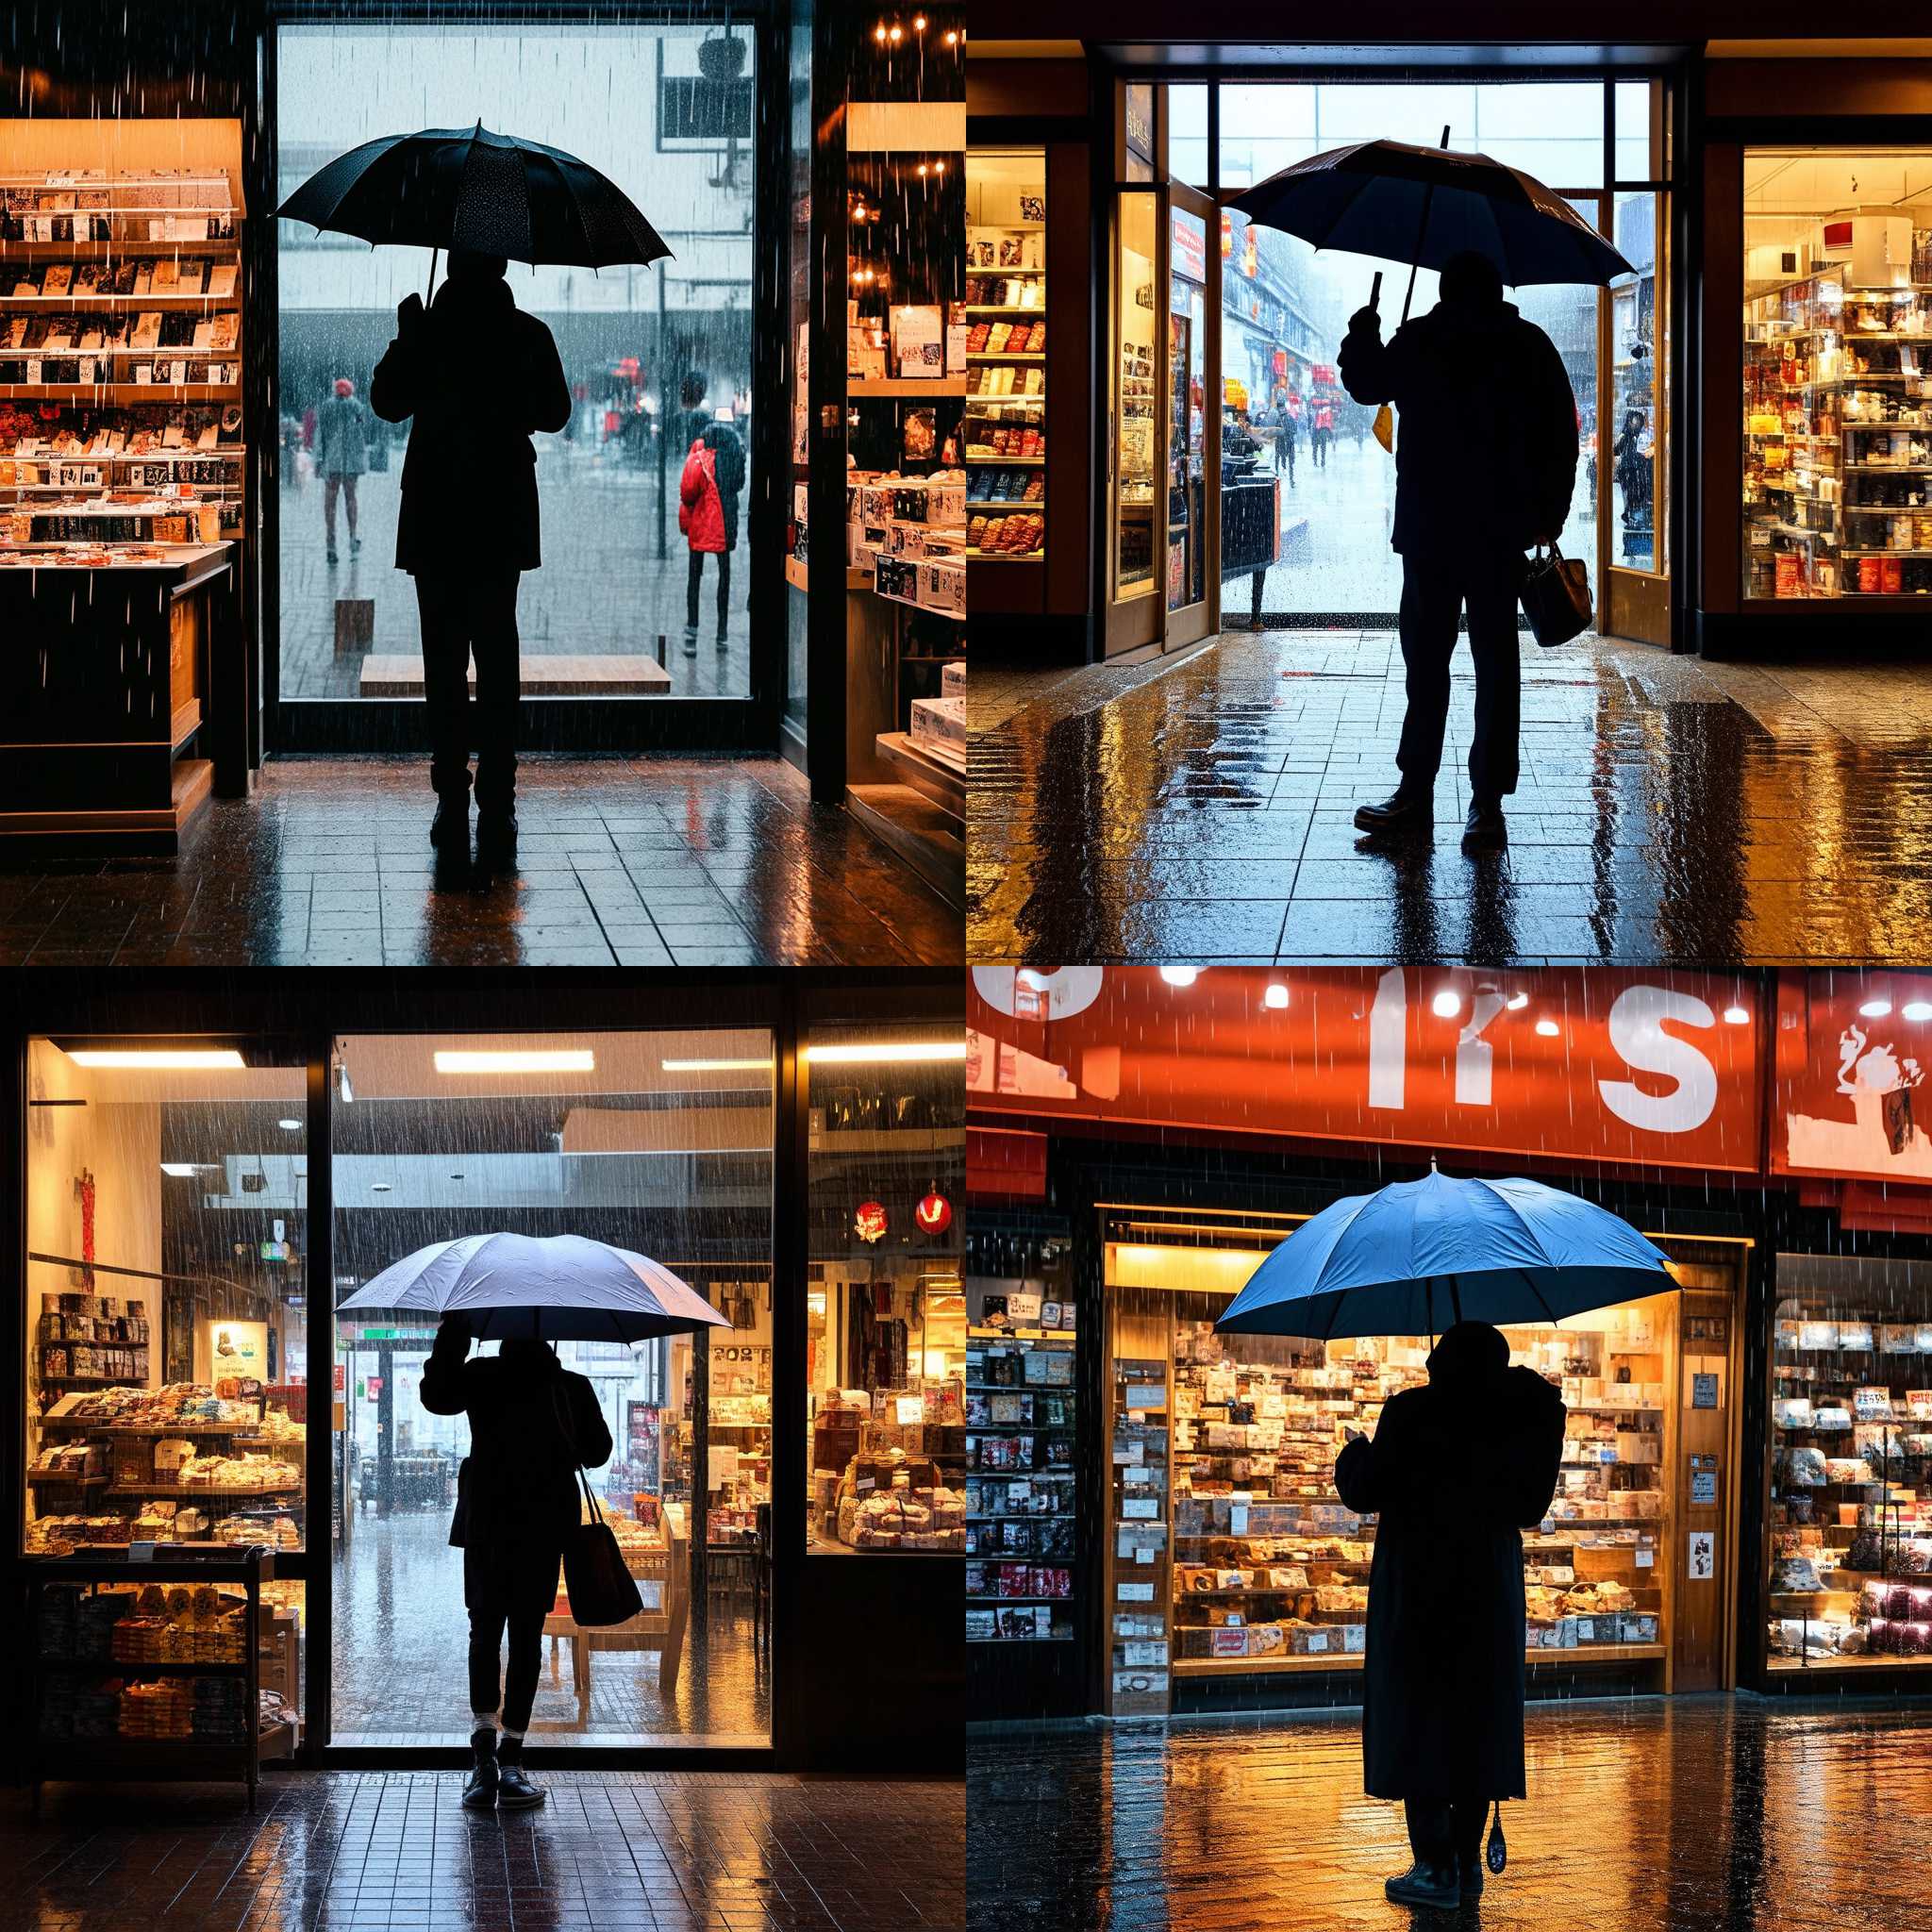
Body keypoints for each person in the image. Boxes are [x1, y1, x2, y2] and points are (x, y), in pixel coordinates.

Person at [1338, 248, 1578, 852]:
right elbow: (1561, 439)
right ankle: (1487, 805)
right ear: (1497, 291)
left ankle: (1414, 793)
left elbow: (1366, 383)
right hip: (1500, 534)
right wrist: (1546, 517)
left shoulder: (1422, 339)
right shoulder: (1531, 346)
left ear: (1445, 291)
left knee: (1427, 666)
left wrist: (1363, 328)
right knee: (1497, 665)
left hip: (1430, 533)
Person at [1333, 1320, 1566, 1911]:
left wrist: (1354, 1452)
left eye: (1438, 1356)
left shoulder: (1412, 1412)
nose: (1430, 1364)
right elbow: (1529, 1505)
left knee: (1421, 1718)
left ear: (1446, 1362)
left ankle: (1433, 1867)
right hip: (1488, 1587)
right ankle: (1465, 1864)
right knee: (1474, 1719)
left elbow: (1367, 1488)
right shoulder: (1520, 1419)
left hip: (1422, 1585)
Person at [370, 249, 571, 863]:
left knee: (444, 664)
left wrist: (408, 340)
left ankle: (452, 799)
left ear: (451, 267)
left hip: (436, 512)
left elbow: (386, 403)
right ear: (503, 267)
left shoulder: (428, 329)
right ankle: (499, 801)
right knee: (498, 661)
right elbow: (556, 413)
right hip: (500, 510)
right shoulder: (528, 332)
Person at [420, 1312, 613, 1813]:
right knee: (527, 1635)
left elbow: (436, 1397)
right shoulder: (568, 1384)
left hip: (487, 1523)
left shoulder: (482, 1375)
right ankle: (512, 1758)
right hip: (543, 1526)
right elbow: (598, 1452)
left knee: (484, 1630)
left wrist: (454, 1333)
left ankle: (483, 1756)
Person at [673, 371, 746, 656]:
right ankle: (722, 633)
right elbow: (739, 483)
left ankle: (692, 629)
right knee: (724, 576)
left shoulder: (699, 449)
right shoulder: (732, 449)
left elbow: (688, 490)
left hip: (702, 522)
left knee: (695, 575)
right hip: (725, 521)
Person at [314, 376, 372, 563]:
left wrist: (320, 460)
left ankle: (331, 542)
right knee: (351, 498)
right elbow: (363, 435)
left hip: (332, 460)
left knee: (330, 501)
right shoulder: (356, 406)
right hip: (351, 462)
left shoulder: (327, 407)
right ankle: (353, 538)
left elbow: (319, 435)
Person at [1273, 391, 1297, 486]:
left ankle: (1277, 475)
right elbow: (1295, 429)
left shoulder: (1277, 418)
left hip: (1280, 442)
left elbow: (1274, 430)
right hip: (1289, 442)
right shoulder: (1290, 417)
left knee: (1277, 457)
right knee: (1291, 463)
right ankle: (1291, 479)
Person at [1311, 398, 1333, 468]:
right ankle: (1322, 461)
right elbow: (1328, 422)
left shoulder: (1318, 411)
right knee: (1323, 447)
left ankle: (1315, 461)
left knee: (1315, 447)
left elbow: (1317, 422)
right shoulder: (1327, 411)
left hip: (1317, 430)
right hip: (1323, 430)